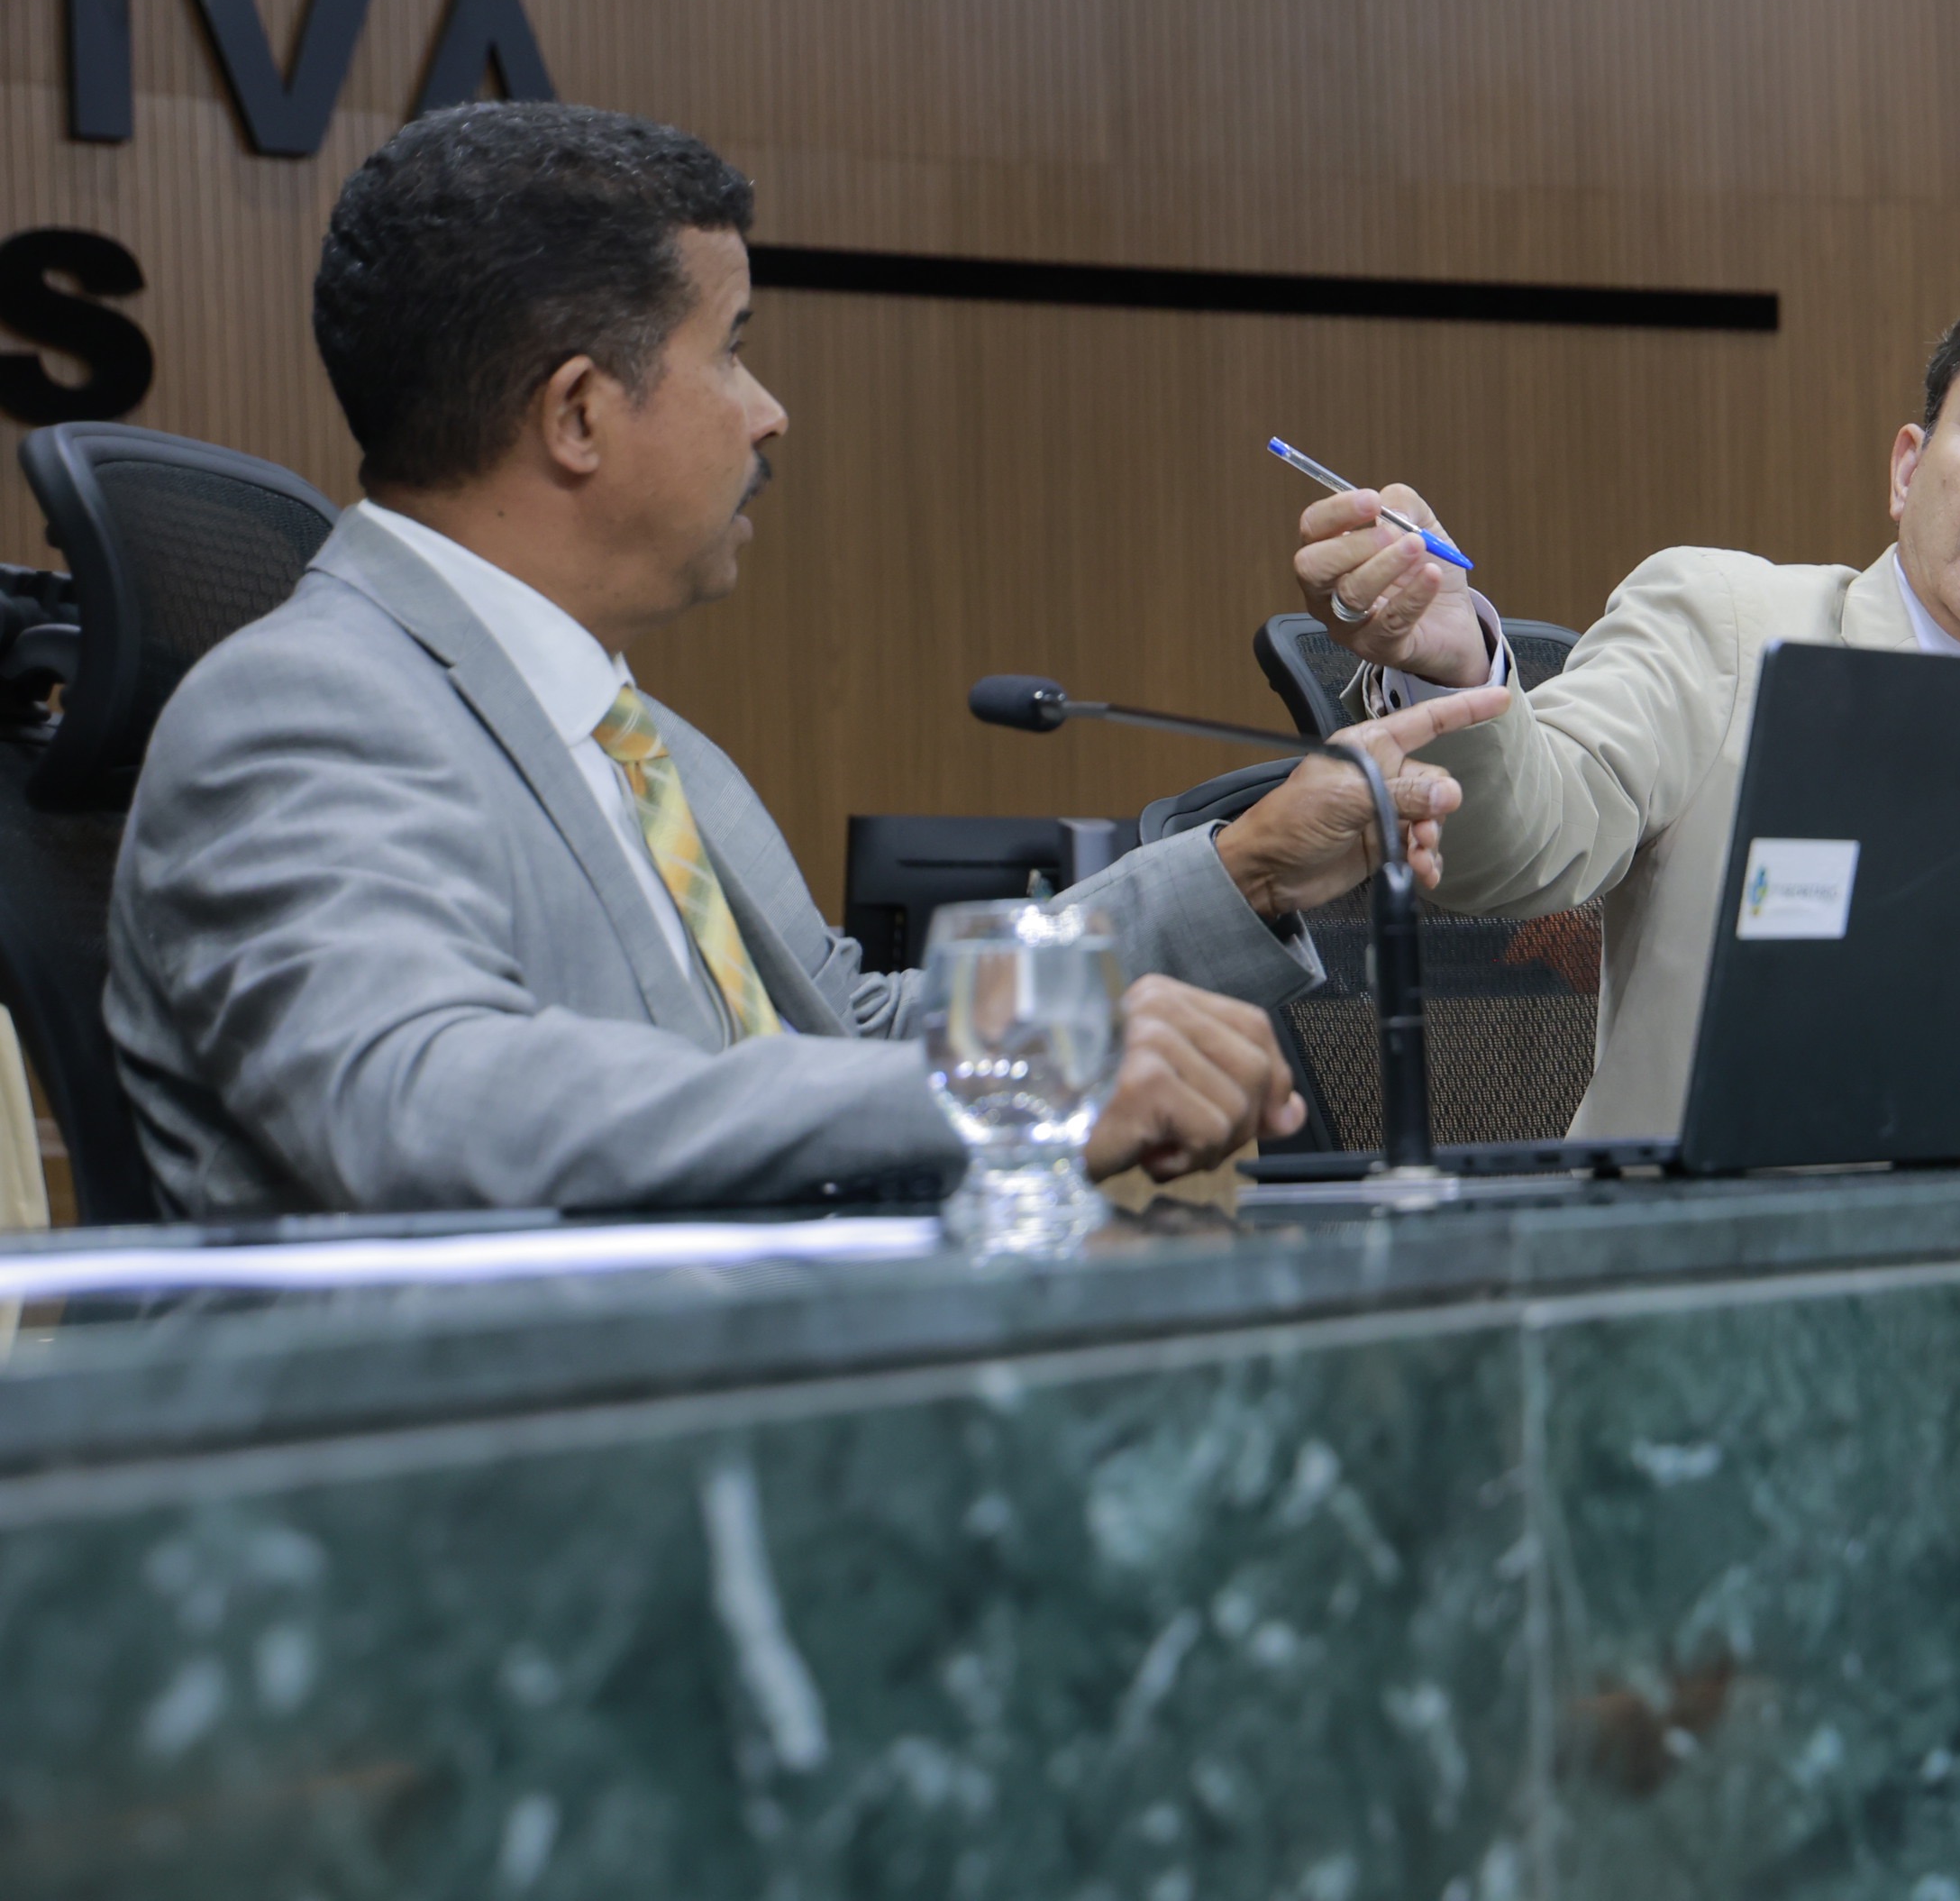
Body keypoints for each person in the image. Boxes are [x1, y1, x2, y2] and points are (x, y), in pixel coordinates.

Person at [109, 104, 1503, 1217]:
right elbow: (418, 1101)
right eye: (730, 355)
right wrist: (1018, 1081)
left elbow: (847, 1040)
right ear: (579, 415)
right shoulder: (302, 709)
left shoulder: (636, 739)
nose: (768, 414)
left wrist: (1247, 866)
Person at [1289, 276, 1960, 1171]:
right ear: (1908, 470)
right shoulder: (1726, 631)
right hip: (1760, 1281)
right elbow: (1515, 847)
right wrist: (1456, 669)